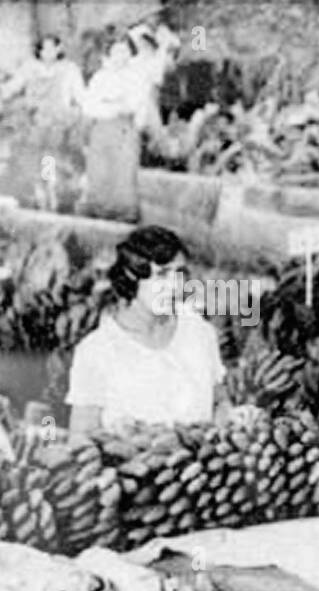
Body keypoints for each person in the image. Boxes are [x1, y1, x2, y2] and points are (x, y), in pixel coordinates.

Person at [67, 226, 229, 436]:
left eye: (179, 273)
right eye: (161, 274)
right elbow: (81, 438)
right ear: (131, 275)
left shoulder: (198, 331)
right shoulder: (96, 351)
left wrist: (228, 419)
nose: (174, 286)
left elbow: (219, 401)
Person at [0, 35, 86, 209]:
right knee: (28, 157)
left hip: (56, 122)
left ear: (59, 49)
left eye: (52, 48)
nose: (48, 53)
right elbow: (11, 88)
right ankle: (35, 194)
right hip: (32, 121)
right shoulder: (30, 67)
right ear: (39, 50)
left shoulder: (69, 69)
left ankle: (51, 195)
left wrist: (82, 111)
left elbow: (81, 95)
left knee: (50, 158)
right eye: (44, 49)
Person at [80, 31, 154, 222]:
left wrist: (115, 106)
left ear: (131, 53)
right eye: (116, 52)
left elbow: (136, 105)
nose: (121, 56)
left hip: (125, 130)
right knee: (99, 172)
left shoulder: (137, 77)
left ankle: (124, 217)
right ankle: (97, 214)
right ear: (108, 55)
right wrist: (112, 106)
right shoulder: (99, 78)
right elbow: (89, 106)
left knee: (123, 174)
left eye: (125, 51)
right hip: (101, 130)